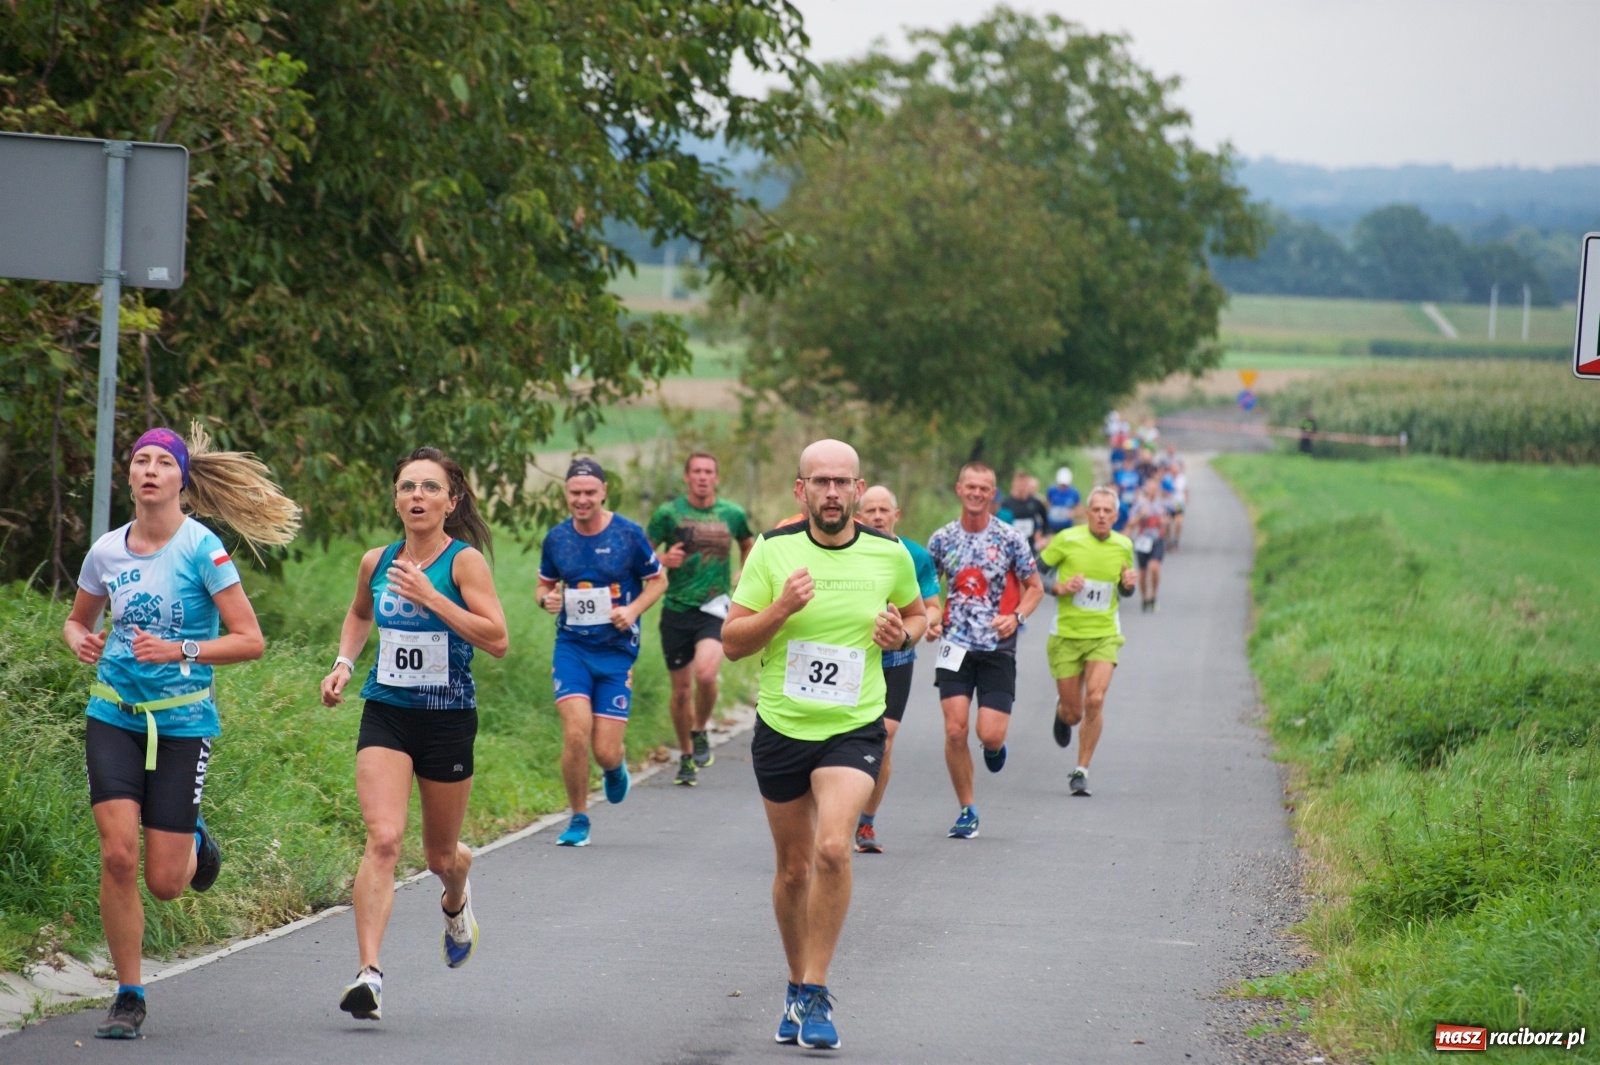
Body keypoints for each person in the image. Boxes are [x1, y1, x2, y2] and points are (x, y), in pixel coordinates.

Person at [66, 424, 300, 1039]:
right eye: (140, 460)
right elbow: (77, 621)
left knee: (167, 883)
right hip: (113, 713)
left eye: (162, 463)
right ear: (129, 476)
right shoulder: (106, 551)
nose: (150, 470)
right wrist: (81, 641)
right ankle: (129, 995)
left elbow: (251, 641)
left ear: (181, 479)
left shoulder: (202, 549)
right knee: (119, 855)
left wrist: (180, 649)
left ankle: (194, 836)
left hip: (183, 721)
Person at [722, 440, 926, 1050]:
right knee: (793, 869)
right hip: (783, 726)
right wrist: (781, 608)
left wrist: (901, 635)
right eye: (820, 482)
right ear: (801, 489)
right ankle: (794, 983)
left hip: (854, 724)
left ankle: (815, 990)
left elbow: (918, 617)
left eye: (842, 482)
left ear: (859, 490)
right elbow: (733, 642)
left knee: (833, 848)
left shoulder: (889, 553)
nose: (832, 493)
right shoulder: (771, 550)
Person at [321, 447, 509, 1022]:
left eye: (430, 487)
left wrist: (431, 597)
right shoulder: (376, 561)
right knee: (383, 838)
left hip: (448, 718)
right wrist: (344, 663)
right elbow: (360, 614)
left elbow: (497, 639)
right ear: (396, 499)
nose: (417, 496)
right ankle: (369, 974)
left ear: (451, 502)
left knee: (439, 856)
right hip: (388, 710)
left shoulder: (464, 563)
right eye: (408, 487)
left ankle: (456, 894)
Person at [538, 458, 667, 844]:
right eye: (575, 493)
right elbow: (544, 586)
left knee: (606, 751)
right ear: (566, 494)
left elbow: (658, 581)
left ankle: (614, 766)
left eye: (589, 493)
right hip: (572, 648)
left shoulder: (628, 534)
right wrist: (546, 599)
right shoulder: (557, 539)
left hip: (616, 653)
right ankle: (579, 819)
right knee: (576, 733)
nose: (582, 500)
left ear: (604, 492)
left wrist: (633, 610)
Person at [924, 462, 1044, 839]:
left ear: (993, 494)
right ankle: (967, 810)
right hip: (955, 645)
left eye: (984, 488)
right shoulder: (941, 539)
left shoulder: (1009, 538)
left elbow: (1035, 587)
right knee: (955, 730)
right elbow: (926, 588)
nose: (976, 493)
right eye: (970, 487)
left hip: (997, 646)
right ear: (959, 489)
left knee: (989, 734)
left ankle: (994, 748)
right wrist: (930, 618)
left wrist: (1017, 617)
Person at [646, 452, 753, 786]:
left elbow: (748, 544)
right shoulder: (668, 514)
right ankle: (686, 754)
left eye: (709, 472)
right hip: (676, 609)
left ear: (716, 478)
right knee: (681, 692)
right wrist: (662, 559)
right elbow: (641, 554)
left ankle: (701, 728)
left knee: (706, 674)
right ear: (687, 477)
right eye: (697, 471)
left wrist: (744, 573)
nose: (703, 477)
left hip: (714, 606)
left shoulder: (732, 513)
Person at [852, 485, 942, 854]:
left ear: (896, 515)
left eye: (883, 510)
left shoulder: (915, 555)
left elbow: (932, 606)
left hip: (897, 660)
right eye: (870, 510)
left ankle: (866, 822)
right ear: (859, 516)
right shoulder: (850, 553)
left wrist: (921, 626)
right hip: (856, 659)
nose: (877, 516)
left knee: (884, 741)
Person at [1038, 486, 1137, 797]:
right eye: (1097, 510)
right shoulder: (1066, 539)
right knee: (1074, 713)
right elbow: (1035, 575)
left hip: (1104, 634)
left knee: (1095, 699)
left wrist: (1128, 585)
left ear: (1116, 516)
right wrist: (1060, 587)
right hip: (1066, 635)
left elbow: (1125, 590)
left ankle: (1081, 770)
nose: (1102, 515)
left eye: (1108, 511)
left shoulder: (1124, 545)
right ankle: (1062, 713)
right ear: (1087, 512)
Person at [1127, 478, 1172, 612]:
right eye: (1150, 488)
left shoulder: (1162, 504)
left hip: (1157, 540)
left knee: (1154, 567)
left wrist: (1165, 522)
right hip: (1142, 540)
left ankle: (1154, 596)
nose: (1152, 491)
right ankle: (1144, 598)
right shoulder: (1140, 504)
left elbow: (1169, 518)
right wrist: (1141, 516)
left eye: (1154, 488)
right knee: (1143, 571)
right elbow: (1130, 523)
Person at [999, 470, 1050, 554]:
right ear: (1013, 484)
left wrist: (1044, 537)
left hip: (1030, 547)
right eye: (1019, 483)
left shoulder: (1036, 503)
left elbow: (1045, 521)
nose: (1021, 487)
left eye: (1024, 483)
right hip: (1012, 547)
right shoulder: (1006, 503)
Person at [1045, 466, 1081, 535]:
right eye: (1061, 484)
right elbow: (1046, 504)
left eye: (1065, 485)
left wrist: (1073, 513)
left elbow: (1079, 508)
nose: (1063, 486)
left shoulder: (1074, 493)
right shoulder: (1052, 491)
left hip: (1067, 526)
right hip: (1052, 525)